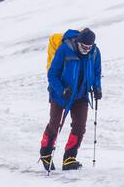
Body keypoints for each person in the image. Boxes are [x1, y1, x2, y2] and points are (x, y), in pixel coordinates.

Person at [40, 27, 102, 172]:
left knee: (80, 127)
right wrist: (61, 90)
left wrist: (97, 87)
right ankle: (46, 153)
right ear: (78, 42)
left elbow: (97, 72)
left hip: (81, 95)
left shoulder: (94, 52)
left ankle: (69, 158)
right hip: (61, 94)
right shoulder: (64, 49)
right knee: (55, 125)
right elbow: (52, 74)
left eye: (89, 47)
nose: (86, 49)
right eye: (84, 47)